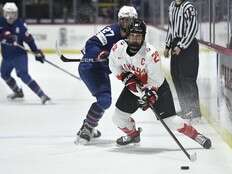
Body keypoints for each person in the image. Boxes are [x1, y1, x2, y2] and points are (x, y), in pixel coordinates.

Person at [108, 19, 211, 149]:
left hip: (158, 89)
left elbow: (155, 81)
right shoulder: (118, 48)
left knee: (171, 122)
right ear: (127, 36)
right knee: (118, 118)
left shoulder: (151, 53)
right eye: (132, 35)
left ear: (143, 37)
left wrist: (150, 96)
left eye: (138, 36)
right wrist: (126, 77)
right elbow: (113, 65)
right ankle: (134, 135)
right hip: (133, 88)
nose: (135, 39)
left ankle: (196, 135)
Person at [76, 6, 138, 143]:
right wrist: (98, 53)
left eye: (129, 21)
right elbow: (91, 44)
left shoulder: (137, 34)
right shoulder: (112, 31)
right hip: (91, 68)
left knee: (105, 101)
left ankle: (89, 125)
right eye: (123, 20)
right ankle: (87, 127)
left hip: (103, 70)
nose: (126, 24)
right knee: (104, 100)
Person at [0, 2, 50, 104]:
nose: (11, 16)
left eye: (13, 13)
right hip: (7, 57)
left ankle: (42, 95)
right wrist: (4, 35)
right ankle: (18, 92)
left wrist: (36, 51)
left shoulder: (20, 25)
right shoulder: (1, 22)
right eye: (8, 13)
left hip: (19, 55)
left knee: (23, 75)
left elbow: (29, 40)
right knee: (4, 74)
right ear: (4, 13)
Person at [163, 0, 201, 122]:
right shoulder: (172, 6)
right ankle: (186, 109)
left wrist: (182, 46)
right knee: (176, 77)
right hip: (175, 43)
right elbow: (171, 27)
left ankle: (195, 112)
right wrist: (167, 46)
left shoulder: (188, 7)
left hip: (188, 45)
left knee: (187, 78)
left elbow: (193, 28)